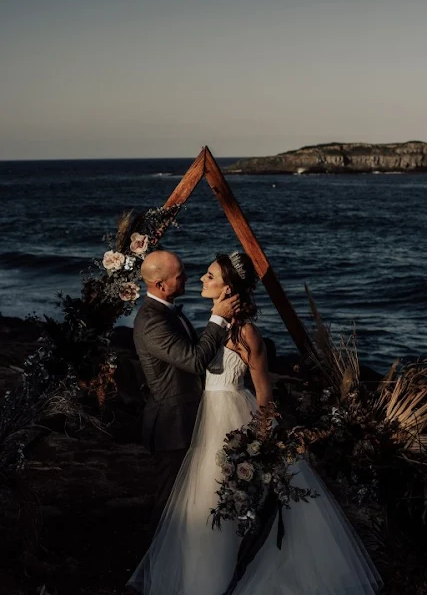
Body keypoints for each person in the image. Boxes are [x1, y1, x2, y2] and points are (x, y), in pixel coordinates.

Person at [128, 252, 383, 595]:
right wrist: (217, 320)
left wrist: (262, 439)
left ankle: (225, 578)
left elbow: (264, 393)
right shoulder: (205, 321)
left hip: (231, 417)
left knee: (224, 503)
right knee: (199, 505)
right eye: (196, 274)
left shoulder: (246, 332)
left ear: (228, 288)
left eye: (209, 275)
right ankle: (199, 580)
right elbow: (193, 360)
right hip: (202, 420)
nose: (200, 279)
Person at [133, 250, 239, 541]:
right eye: (180, 276)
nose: (188, 278)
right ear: (161, 285)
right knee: (169, 501)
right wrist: (217, 319)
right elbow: (193, 361)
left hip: (189, 416)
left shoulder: (166, 311)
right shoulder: (152, 322)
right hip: (172, 423)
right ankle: (154, 569)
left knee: (187, 496)